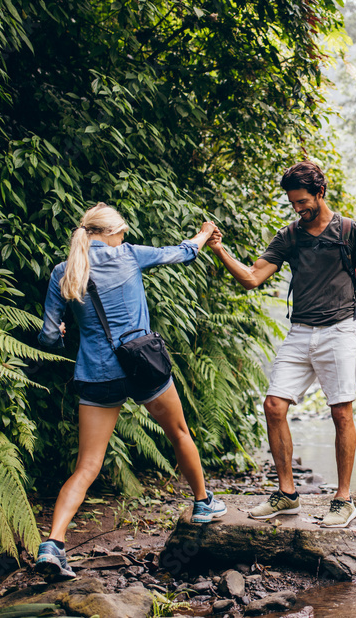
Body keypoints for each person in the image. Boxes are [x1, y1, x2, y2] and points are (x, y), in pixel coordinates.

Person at [34, 202, 226, 580]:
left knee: (87, 466)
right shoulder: (130, 254)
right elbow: (183, 252)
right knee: (178, 433)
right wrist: (205, 233)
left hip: (97, 376)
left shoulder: (63, 271)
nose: (124, 237)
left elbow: (46, 338)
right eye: (121, 231)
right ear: (110, 233)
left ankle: (52, 545)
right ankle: (203, 503)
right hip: (143, 367)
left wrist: (58, 335)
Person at [206, 161, 356, 529]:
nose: (298, 208)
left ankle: (343, 499)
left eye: (303, 201)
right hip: (301, 332)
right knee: (274, 405)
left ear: (320, 193)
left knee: (341, 413)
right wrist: (219, 249)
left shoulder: (350, 231)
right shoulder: (289, 235)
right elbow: (252, 278)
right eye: (293, 203)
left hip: (340, 330)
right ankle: (287, 495)